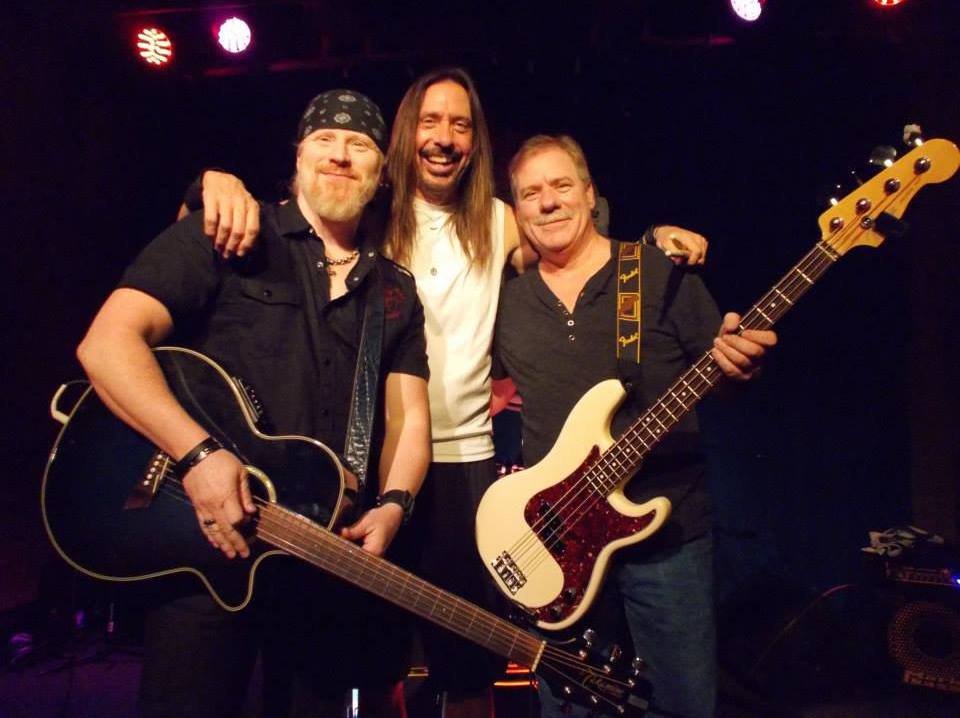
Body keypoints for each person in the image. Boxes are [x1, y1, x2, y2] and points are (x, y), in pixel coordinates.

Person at [191, 67, 709, 718]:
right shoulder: (368, 213)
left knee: (467, 665)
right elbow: (275, 213)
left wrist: (652, 243)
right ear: (407, 132)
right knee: (367, 662)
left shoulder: (498, 220)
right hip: (368, 465)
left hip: (466, 466)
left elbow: (575, 234)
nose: (444, 137)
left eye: (460, 124)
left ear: (474, 141)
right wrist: (211, 183)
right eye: (431, 121)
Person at [76, 89, 431, 718]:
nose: (340, 155)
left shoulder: (395, 291)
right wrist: (197, 456)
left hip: (315, 561)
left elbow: (408, 418)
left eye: (359, 145)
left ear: (381, 175)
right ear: (297, 158)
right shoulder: (227, 233)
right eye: (324, 139)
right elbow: (107, 345)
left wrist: (395, 505)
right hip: (205, 547)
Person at [495, 134, 777, 718]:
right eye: (531, 193)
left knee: (679, 706)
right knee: (570, 709)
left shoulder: (656, 272)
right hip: (558, 543)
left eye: (561, 185)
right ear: (516, 211)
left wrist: (739, 366)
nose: (548, 202)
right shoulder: (509, 304)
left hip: (667, 539)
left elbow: (721, 377)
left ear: (590, 195)